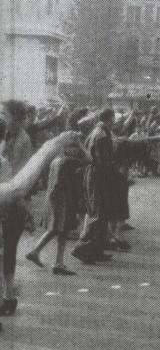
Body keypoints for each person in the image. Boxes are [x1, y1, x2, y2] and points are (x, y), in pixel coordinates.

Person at [0, 119, 81, 316]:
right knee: (7, 253)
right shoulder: (3, 159)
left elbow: (14, 188)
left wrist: (52, 145)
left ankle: (8, 295)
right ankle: (8, 295)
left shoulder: (3, 160)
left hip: (9, 210)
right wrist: (53, 145)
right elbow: (15, 187)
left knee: (6, 252)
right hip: (10, 209)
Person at [26, 109, 89, 276]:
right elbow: (89, 159)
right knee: (59, 229)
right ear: (70, 148)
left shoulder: (56, 159)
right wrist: (81, 145)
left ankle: (53, 260)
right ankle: (46, 257)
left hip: (55, 197)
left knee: (60, 229)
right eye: (75, 146)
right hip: (64, 198)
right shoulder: (68, 161)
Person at [71, 109, 120, 265]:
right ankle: (82, 250)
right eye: (113, 119)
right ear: (108, 119)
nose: (115, 122)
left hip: (95, 174)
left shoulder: (98, 131)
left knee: (101, 213)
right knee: (97, 213)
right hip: (98, 176)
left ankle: (96, 251)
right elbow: (103, 160)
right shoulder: (102, 135)